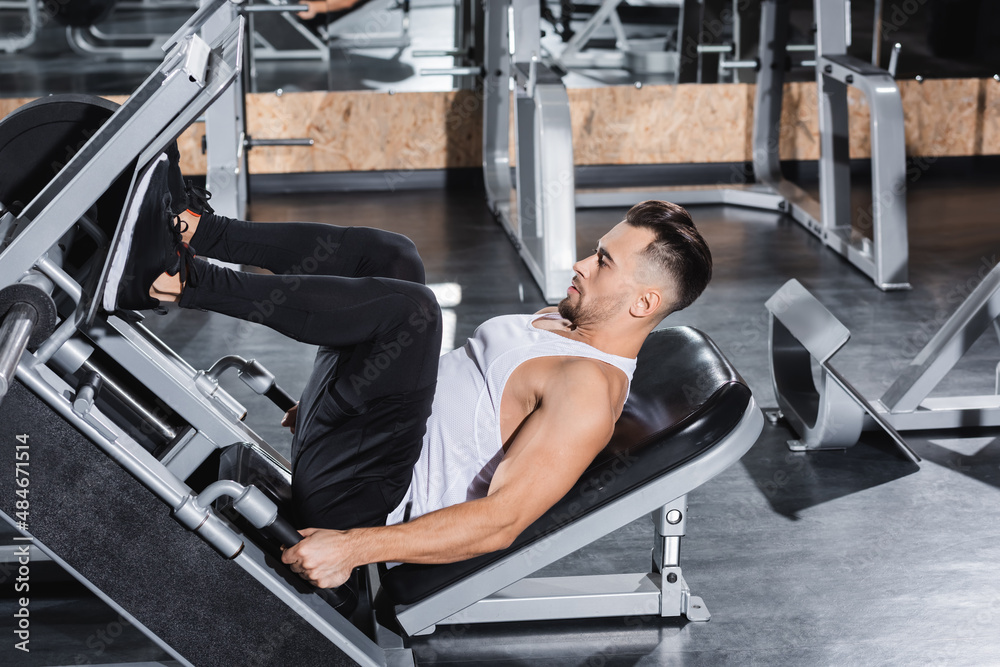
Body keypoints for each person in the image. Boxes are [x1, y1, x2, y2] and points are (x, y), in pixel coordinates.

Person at [104, 149, 713, 594]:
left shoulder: (590, 388)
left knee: (414, 313)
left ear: (644, 304)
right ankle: (197, 228)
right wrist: (353, 392)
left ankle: (181, 280)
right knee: (396, 256)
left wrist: (353, 548)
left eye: (603, 261)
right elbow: (460, 398)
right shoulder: (568, 321)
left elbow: (500, 523)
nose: (581, 262)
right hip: (363, 444)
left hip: (368, 505)